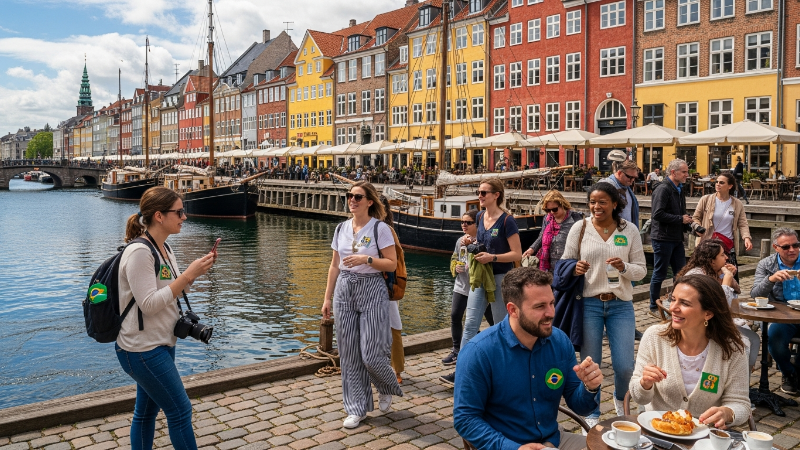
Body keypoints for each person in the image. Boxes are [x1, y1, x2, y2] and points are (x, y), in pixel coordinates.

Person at [453, 267, 603, 450]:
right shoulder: (479, 352)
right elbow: (465, 419)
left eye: (551, 303)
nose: (551, 313)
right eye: (540, 306)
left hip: (554, 439)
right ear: (513, 310)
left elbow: (581, 406)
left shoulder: (560, 341)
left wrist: (589, 387)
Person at [117, 187, 217, 450]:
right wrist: (186, 276)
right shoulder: (140, 252)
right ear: (159, 216)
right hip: (141, 349)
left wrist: (195, 273)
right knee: (181, 411)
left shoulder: (164, 248)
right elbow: (149, 304)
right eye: (179, 212)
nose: (184, 217)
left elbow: (173, 292)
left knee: (146, 413)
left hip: (160, 342)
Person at [560, 182, 646, 427]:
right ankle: (593, 410)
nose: (596, 207)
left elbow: (641, 271)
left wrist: (624, 267)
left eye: (602, 202)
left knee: (624, 366)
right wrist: (574, 269)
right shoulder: (580, 227)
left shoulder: (629, 230)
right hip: (589, 304)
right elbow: (565, 263)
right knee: (591, 364)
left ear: (615, 204)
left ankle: (621, 403)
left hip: (620, 304)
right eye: (593, 202)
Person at [321, 181, 403, 428]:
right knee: (348, 354)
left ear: (369, 201)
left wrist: (367, 259)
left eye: (358, 196)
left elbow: (391, 264)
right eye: (349, 196)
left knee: (371, 353)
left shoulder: (381, 229)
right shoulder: (340, 229)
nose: (352, 200)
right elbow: (334, 265)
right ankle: (356, 407)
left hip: (372, 287)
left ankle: (386, 384)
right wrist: (327, 297)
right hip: (345, 289)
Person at [630, 274, 751, 428]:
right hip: (659, 432)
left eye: (685, 303)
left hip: (706, 437)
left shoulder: (732, 349)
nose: (672, 308)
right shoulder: (654, 337)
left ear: (708, 313)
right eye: (673, 299)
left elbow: (741, 403)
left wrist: (728, 412)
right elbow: (638, 397)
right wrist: (644, 384)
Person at [441, 179, 522, 387]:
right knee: (470, 325)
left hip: (500, 277)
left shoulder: (507, 221)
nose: (480, 195)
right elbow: (483, 243)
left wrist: (492, 257)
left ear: (496, 195)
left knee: (501, 326)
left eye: (484, 192)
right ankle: (462, 372)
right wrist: (472, 243)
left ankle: (508, 368)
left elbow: (516, 254)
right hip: (480, 276)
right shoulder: (479, 216)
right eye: (478, 191)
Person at [676, 239, 759, 368]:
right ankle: (741, 376)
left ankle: (741, 376)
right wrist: (726, 279)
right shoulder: (697, 275)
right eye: (722, 255)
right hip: (699, 324)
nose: (726, 257)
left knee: (752, 339)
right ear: (711, 260)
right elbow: (721, 305)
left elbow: (733, 298)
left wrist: (728, 277)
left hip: (712, 321)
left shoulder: (711, 272)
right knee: (750, 340)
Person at [442, 209, 494, 370]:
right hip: (461, 285)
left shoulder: (482, 241)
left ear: (477, 225)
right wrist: (454, 267)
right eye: (462, 222)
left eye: (468, 222)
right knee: (455, 316)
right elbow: (454, 258)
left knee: (491, 320)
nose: (464, 225)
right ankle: (457, 350)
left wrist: (471, 246)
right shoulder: (460, 241)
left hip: (478, 287)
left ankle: (491, 348)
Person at [751, 228, 800, 394]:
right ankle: (789, 373)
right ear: (776, 247)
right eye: (786, 247)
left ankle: (797, 370)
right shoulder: (766, 264)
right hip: (781, 314)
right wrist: (771, 279)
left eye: (796, 245)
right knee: (775, 338)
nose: (792, 249)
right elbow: (755, 294)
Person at [649, 158, 692, 318]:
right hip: (663, 237)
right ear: (673, 172)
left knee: (681, 273)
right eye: (684, 172)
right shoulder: (663, 189)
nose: (687, 175)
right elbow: (657, 214)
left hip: (676, 237)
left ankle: (676, 301)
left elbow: (679, 213)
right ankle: (653, 305)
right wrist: (680, 219)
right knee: (659, 272)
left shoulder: (679, 188)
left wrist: (688, 223)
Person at [691, 171, 753, 278]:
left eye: (721, 182)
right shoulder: (706, 199)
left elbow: (742, 223)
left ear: (730, 186)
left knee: (728, 276)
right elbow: (696, 217)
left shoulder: (737, 204)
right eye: (717, 182)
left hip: (727, 246)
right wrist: (698, 228)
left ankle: (727, 293)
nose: (717, 184)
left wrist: (746, 238)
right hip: (708, 245)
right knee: (707, 276)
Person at [523, 190, 584, 272]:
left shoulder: (575, 218)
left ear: (562, 205)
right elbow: (542, 236)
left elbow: (583, 240)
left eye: (555, 209)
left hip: (568, 265)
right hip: (549, 265)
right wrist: (532, 249)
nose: (551, 212)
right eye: (548, 210)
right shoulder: (547, 218)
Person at [379, 196, 405, 385]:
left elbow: (397, 261)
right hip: (367, 283)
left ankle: (396, 369)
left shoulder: (387, 231)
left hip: (386, 284)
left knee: (392, 325)